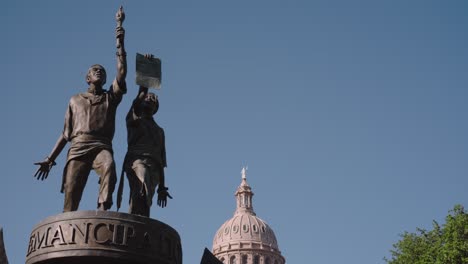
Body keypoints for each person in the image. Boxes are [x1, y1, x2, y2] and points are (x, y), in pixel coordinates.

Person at [34, 8, 127, 212]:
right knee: (71, 193)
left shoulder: (110, 98)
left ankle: (103, 209)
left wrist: (120, 39)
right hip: (78, 147)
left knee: (109, 165)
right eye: (95, 70)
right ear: (87, 78)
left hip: (101, 145)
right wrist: (50, 159)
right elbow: (65, 133)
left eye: (102, 71)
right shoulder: (75, 100)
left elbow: (121, 72)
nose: (99, 72)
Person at [117, 68, 171, 216]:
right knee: (141, 187)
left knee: (145, 198)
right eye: (148, 98)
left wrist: (162, 187)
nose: (150, 100)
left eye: (154, 100)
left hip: (154, 166)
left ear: (156, 108)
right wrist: (146, 74)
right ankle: (134, 221)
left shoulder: (159, 131)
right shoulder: (134, 120)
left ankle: (138, 222)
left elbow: (161, 162)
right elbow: (139, 97)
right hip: (137, 161)